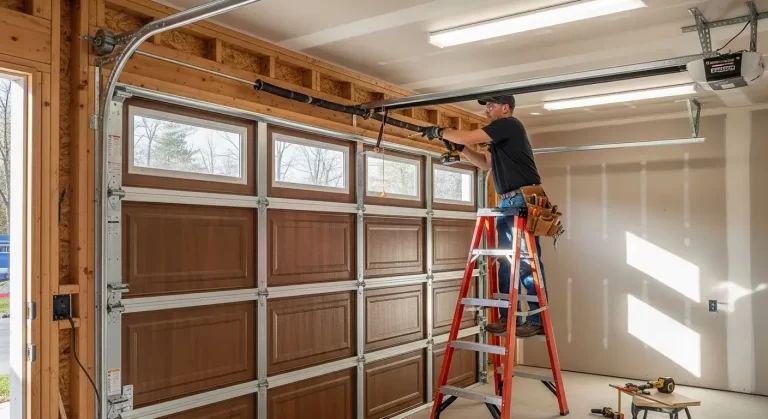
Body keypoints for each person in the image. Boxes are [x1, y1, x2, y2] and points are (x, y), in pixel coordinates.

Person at [420, 94, 547, 338]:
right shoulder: (498, 137)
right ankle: (506, 316)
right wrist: (462, 149)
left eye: (491, 104)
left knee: (526, 262)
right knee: (505, 261)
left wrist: (440, 131)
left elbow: (467, 136)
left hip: (523, 198)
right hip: (506, 201)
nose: (487, 108)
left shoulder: (509, 125)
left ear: (505, 108)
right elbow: (485, 163)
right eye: (487, 105)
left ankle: (535, 319)